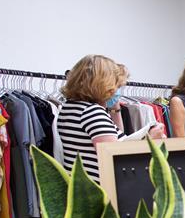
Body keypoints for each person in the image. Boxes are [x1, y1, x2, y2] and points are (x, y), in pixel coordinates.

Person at [56, 54, 164, 182]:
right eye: (116, 85)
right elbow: (115, 158)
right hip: (102, 191)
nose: (117, 90)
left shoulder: (70, 107)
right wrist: (150, 139)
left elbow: (115, 137)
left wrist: (114, 107)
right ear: (102, 84)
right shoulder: (92, 112)